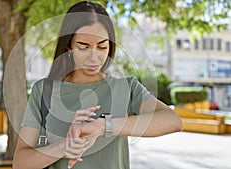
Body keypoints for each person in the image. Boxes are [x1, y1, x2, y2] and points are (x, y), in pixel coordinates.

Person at [13, 1, 183, 169]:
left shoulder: (126, 88)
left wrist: (103, 126)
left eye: (102, 47)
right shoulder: (44, 91)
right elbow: (21, 163)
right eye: (83, 47)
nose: (94, 58)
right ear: (68, 46)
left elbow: (173, 121)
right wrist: (65, 146)